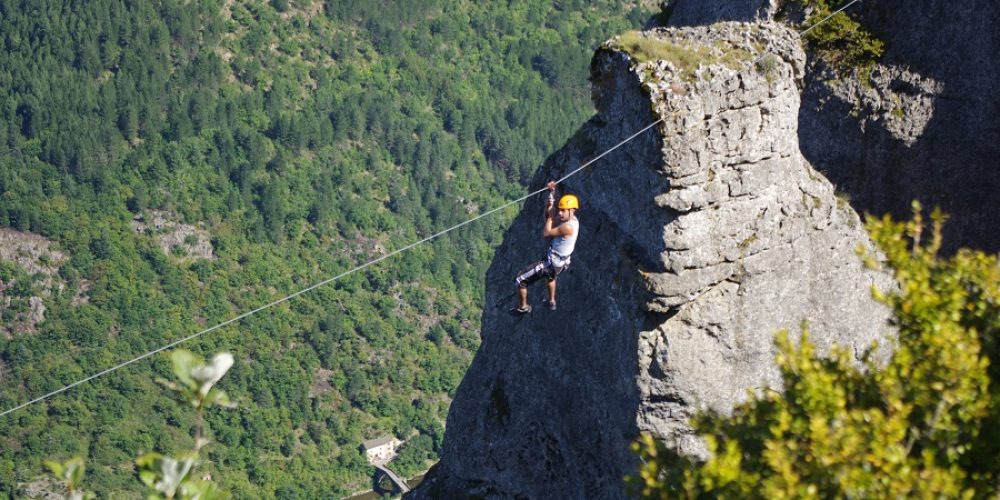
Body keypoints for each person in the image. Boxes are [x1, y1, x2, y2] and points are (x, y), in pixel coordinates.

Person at [513, 181, 580, 314]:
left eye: (563, 211)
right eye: (560, 210)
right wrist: (552, 195)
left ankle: (523, 307)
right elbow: (551, 216)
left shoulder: (567, 227)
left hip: (552, 263)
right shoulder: (573, 221)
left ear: (572, 211)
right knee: (551, 276)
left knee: (520, 280)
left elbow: (546, 232)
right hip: (560, 263)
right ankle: (551, 301)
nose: (560, 213)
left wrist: (550, 215)